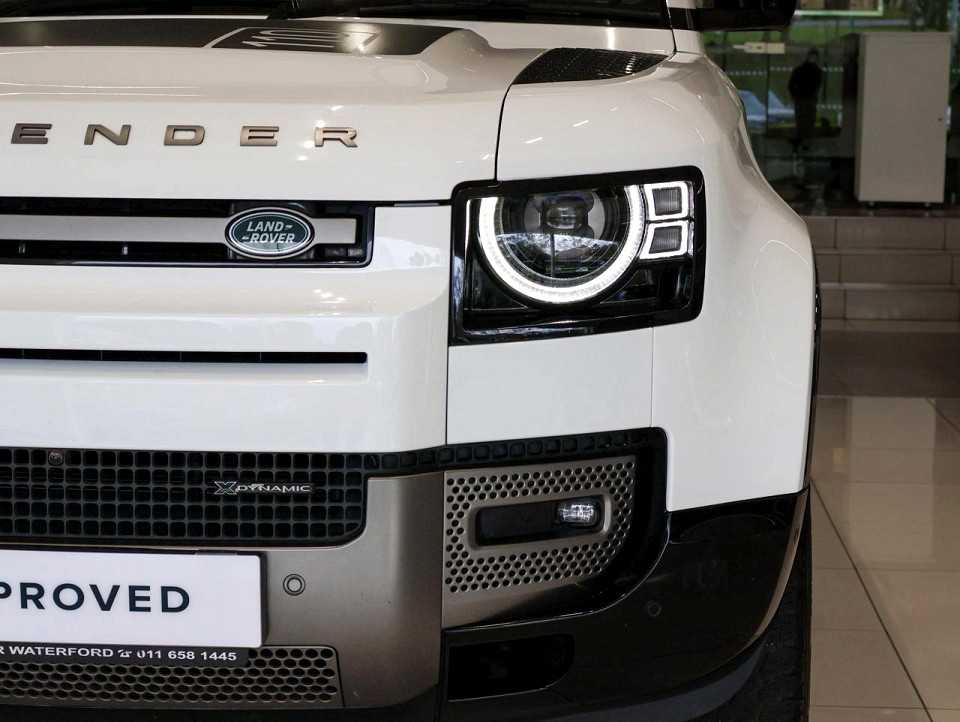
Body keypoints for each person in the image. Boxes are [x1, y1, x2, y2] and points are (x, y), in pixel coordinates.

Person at [789, 48, 823, 140]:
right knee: (807, 121)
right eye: (813, 57)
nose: (814, 59)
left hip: (803, 99)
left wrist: (795, 96)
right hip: (807, 100)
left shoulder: (800, 70)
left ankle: (801, 139)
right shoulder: (816, 71)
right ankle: (806, 139)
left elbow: (791, 85)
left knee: (803, 121)